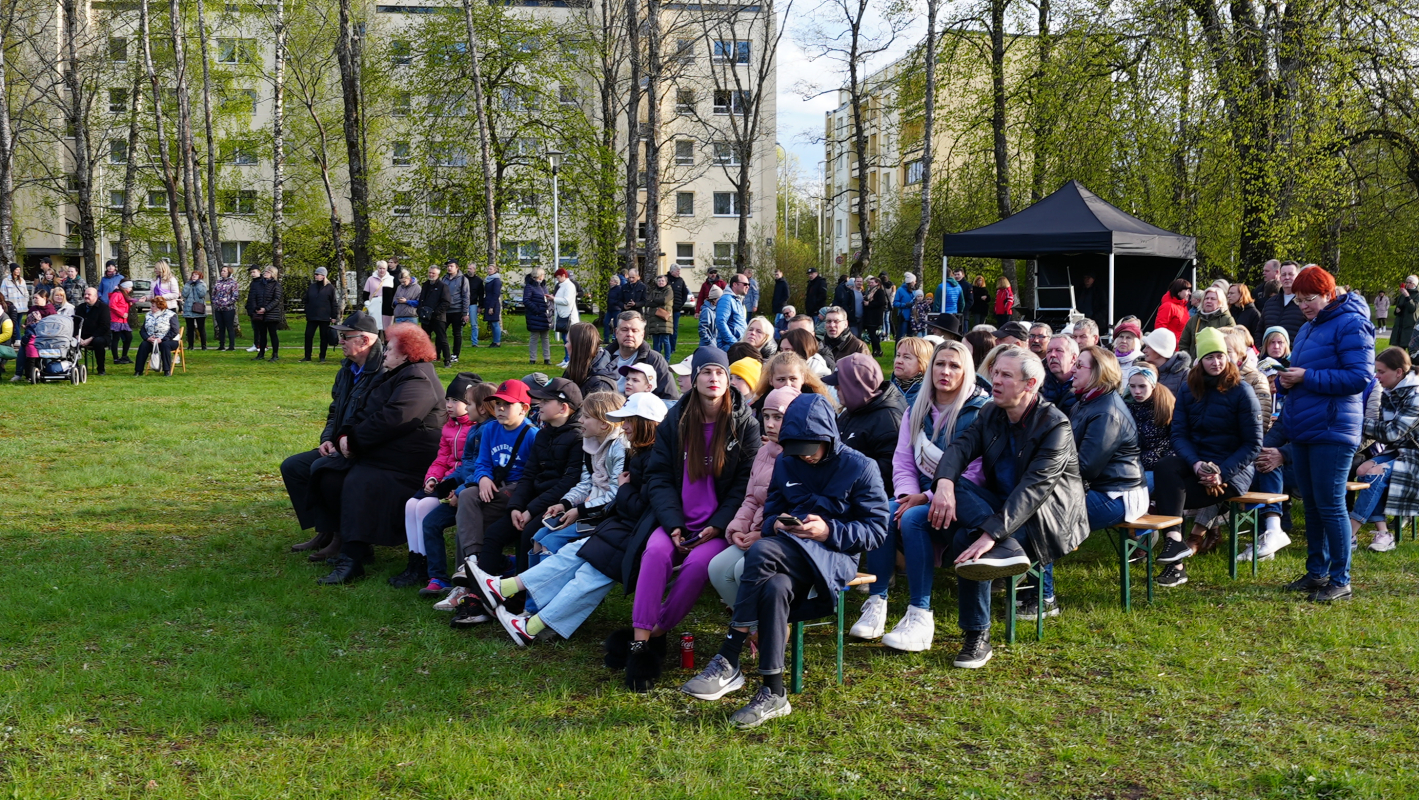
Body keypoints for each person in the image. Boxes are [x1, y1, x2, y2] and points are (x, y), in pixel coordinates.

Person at [679, 392, 886, 727]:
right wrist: (774, 522)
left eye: (810, 450)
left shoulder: (862, 467)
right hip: (788, 552)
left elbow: (876, 531)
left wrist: (828, 530)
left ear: (828, 438)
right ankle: (774, 692)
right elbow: (773, 508)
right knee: (775, 586)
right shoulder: (787, 461)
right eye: (797, 450)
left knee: (761, 551)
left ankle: (729, 656)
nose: (804, 458)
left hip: (834, 556)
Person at [604, 347, 759, 692]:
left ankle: (655, 632)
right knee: (655, 555)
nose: (714, 378)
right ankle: (641, 647)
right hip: (675, 520)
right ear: (695, 378)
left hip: (716, 526)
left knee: (696, 568)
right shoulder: (677, 418)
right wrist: (672, 523)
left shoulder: (744, 422)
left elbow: (743, 484)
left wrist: (717, 525)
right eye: (707, 372)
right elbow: (658, 476)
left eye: (720, 372)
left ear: (728, 379)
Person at [930, 346, 1088, 670]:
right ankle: (1004, 551)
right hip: (1000, 511)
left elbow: (1033, 491)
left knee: (965, 543)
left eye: (1005, 375)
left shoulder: (1055, 425)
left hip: (1043, 521)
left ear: (1029, 385)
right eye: (995, 373)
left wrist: (990, 535)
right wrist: (944, 483)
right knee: (953, 485)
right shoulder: (991, 412)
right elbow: (959, 448)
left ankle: (977, 636)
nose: (995, 381)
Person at [477, 392, 666, 646]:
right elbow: (593, 485)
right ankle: (514, 599)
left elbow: (637, 504)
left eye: (629, 421)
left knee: (585, 575)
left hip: (629, 528)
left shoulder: (640, 455)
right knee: (568, 555)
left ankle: (529, 617)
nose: (625, 426)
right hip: (618, 524)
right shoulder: (639, 453)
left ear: (645, 423)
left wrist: (619, 492)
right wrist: (568, 503)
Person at [853, 340, 988, 649]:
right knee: (884, 512)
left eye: (955, 366)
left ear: (966, 371)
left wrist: (924, 497)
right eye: (940, 364)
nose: (946, 371)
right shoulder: (917, 409)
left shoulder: (979, 411)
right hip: (919, 495)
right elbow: (902, 460)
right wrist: (906, 494)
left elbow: (975, 472)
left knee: (913, 518)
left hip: (964, 500)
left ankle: (920, 614)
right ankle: (876, 604)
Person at [313, 324, 445, 585]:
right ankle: (353, 544)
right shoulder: (394, 374)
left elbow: (393, 420)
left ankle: (351, 560)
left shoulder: (419, 377)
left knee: (357, 481)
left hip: (406, 464)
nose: (384, 353)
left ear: (407, 353)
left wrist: (355, 442)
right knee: (326, 473)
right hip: (382, 453)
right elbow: (363, 410)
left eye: (390, 349)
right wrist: (343, 436)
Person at [1276, 266, 1374, 601]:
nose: (1304, 305)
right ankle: (1316, 573)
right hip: (1304, 426)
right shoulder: (1305, 329)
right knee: (1314, 505)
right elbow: (1301, 373)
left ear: (1329, 294)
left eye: (1310, 299)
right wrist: (1285, 379)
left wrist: (1306, 377)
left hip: (1334, 428)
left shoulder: (1352, 323)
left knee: (1331, 504)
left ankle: (1341, 579)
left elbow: (1359, 377)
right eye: (1299, 299)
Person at [1150, 327, 1263, 587]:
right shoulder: (1190, 391)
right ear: (1200, 360)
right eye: (1210, 357)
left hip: (1231, 472)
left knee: (1169, 495)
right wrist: (1196, 463)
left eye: (1220, 356)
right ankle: (1176, 546)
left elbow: (1253, 444)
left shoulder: (1242, 392)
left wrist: (1221, 472)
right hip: (1199, 464)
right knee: (1166, 466)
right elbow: (1178, 435)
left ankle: (1175, 560)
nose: (1216, 362)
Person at [281, 312, 387, 559]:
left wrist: (347, 443)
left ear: (365, 341)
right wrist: (327, 439)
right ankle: (325, 529)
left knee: (324, 469)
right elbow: (334, 411)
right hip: (338, 444)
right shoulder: (347, 370)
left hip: (363, 449)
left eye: (345, 337)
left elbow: (375, 421)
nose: (340, 341)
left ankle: (342, 536)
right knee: (294, 467)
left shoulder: (381, 373)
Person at [444, 379, 538, 614]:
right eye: (497, 405)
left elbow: (531, 476)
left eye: (507, 405)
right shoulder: (491, 429)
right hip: (493, 486)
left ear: (524, 408)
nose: (500, 409)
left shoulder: (531, 434)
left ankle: (482, 581)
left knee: (473, 519)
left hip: (516, 490)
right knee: (467, 497)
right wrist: (483, 477)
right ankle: (473, 562)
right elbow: (482, 462)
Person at [1064, 346, 1147, 607]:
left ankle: (1042, 595)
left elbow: (1086, 466)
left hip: (1120, 494)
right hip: (1097, 488)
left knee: (1049, 518)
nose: (1073, 370)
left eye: (1080, 365)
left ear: (1099, 373)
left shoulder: (1107, 410)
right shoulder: (1086, 402)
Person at [707, 386, 800, 610]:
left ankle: (768, 628)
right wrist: (738, 528)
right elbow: (750, 499)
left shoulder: (800, 456)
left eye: (778, 417)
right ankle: (752, 628)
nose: (769, 424)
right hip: (753, 532)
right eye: (766, 416)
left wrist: (762, 533)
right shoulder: (762, 452)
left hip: (779, 538)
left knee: (742, 570)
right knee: (717, 568)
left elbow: (793, 511)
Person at [392, 373, 479, 589]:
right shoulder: (449, 426)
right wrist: (432, 477)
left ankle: (429, 568)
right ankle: (415, 561)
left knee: (424, 509)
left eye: (456, 401)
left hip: (458, 484)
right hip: (445, 480)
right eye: (447, 399)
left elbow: (473, 465)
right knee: (411, 504)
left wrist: (452, 485)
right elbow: (442, 457)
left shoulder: (477, 429)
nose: (449, 405)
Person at [418, 381, 497, 600]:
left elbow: (485, 468)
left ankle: (467, 581)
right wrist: (447, 484)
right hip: (464, 490)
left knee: (463, 530)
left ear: (481, 408)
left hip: (479, 496)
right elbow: (467, 465)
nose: (466, 407)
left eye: (468, 403)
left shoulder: (489, 431)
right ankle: (438, 578)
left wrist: (461, 490)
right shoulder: (476, 431)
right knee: (431, 522)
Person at [1352, 347, 1419, 553]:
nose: (1377, 376)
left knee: (1374, 473)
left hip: (1414, 457)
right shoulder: (1391, 392)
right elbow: (1384, 432)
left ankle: (1349, 532)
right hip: (1399, 451)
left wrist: (1355, 421)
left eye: (1381, 372)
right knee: (1362, 470)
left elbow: (1391, 433)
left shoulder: (1416, 395)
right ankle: (1383, 532)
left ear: (1398, 372)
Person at [606, 311, 679, 402]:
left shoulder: (654, 360)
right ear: (616, 332)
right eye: (624, 329)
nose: (629, 334)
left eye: (634, 330)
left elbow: (670, 399)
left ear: (642, 334)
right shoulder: (602, 358)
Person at [1126, 363, 1175, 491]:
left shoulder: (1167, 406)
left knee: (1134, 489)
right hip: (1130, 467)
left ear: (1153, 385)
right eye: (1132, 386)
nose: (1137, 391)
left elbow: (1177, 441)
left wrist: (1161, 461)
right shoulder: (1125, 406)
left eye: (1142, 386)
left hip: (1157, 468)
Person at [562, 321, 618, 397]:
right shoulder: (576, 368)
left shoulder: (601, 385)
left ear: (578, 346)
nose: (565, 345)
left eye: (568, 341)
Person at [1178, 285, 1234, 357]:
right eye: (1206, 298)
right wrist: (1189, 362)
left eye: (1213, 299)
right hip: (1195, 365)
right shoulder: (1193, 320)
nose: (1208, 301)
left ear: (1220, 302)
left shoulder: (1227, 320)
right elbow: (1183, 344)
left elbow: (1233, 345)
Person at [133, 296, 180, 377]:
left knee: (165, 345)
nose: (151, 307)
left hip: (169, 340)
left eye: (153, 306)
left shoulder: (171, 315)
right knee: (143, 345)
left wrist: (162, 339)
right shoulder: (148, 315)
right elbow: (143, 330)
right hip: (152, 340)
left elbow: (174, 330)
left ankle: (167, 370)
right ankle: (138, 370)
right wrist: (147, 338)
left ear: (159, 307)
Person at [300, 268, 339, 362]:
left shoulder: (330, 288)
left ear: (323, 276)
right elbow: (306, 299)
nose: (316, 276)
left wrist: (334, 316)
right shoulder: (312, 287)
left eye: (318, 274)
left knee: (324, 337)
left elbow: (333, 302)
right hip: (312, 316)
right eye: (315, 274)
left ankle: (322, 357)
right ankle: (307, 356)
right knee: (308, 336)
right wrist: (307, 309)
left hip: (324, 317)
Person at [1262, 262, 1307, 342]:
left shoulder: (1306, 303)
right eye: (1283, 274)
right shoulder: (1270, 303)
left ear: (1298, 276)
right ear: (1279, 277)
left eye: (1290, 274)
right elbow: (1259, 331)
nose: (1287, 277)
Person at [1140, 328, 1192, 398]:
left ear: (1159, 350)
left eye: (1148, 347)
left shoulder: (1184, 374)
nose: (1144, 350)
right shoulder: (1141, 369)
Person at [247, 266, 285, 360]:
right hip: (260, 313)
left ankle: (275, 354)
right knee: (262, 334)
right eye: (265, 271)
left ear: (273, 274)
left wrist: (266, 309)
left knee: (273, 334)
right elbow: (254, 296)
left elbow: (276, 300)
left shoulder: (276, 286)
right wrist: (256, 308)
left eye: (268, 272)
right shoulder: (258, 284)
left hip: (271, 313)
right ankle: (261, 353)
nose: (265, 273)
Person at [417, 266, 451, 365]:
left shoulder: (443, 286)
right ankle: (424, 358)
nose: (431, 275)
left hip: (438, 317)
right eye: (430, 273)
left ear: (438, 274)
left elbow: (446, 302)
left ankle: (447, 360)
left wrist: (435, 312)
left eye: (433, 273)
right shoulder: (425, 285)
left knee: (442, 338)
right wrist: (420, 310)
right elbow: (421, 299)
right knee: (424, 339)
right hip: (425, 317)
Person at [76, 287, 111, 375]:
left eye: (89, 294)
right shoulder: (80, 308)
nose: (86, 296)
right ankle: (74, 367)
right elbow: (75, 324)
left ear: (96, 296)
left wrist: (91, 338)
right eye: (85, 294)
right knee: (71, 342)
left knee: (98, 342)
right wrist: (77, 336)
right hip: (82, 336)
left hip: (100, 336)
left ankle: (101, 369)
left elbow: (104, 326)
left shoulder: (103, 308)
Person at [1041, 334, 1080, 414]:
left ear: (1073, 358)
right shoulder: (1039, 383)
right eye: (1049, 351)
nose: (1052, 355)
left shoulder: (1085, 385)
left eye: (1059, 350)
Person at [442, 260, 471, 361]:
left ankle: (455, 354)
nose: (449, 268)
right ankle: (441, 353)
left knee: (457, 333)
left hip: (457, 310)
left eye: (451, 266)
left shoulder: (463, 279)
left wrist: (465, 312)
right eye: (448, 266)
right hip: (445, 310)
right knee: (441, 332)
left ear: (457, 267)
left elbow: (466, 296)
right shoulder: (444, 278)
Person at [891, 337, 933, 406]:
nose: (898, 361)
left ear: (922, 364)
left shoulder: (930, 395)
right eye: (898, 355)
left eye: (906, 357)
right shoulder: (885, 390)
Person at [523, 266, 553, 365]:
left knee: (545, 337)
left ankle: (547, 358)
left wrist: (549, 308)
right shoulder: (529, 286)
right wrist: (536, 310)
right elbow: (526, 300)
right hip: (535, 316)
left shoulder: (544, 286)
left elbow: (547, 299)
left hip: (544, 316)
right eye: (543, 274)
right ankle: (532, 358)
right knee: (534, 338)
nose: (544, 276)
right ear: (539, 275)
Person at [644, 272, 675, 361]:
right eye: (659, 281)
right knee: (656, 341)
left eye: (662, 281)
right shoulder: (654, 291)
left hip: (665, 319)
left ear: (666, 282)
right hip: (654, 319)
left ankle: (667, 359)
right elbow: (648, 302)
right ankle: (656, 359)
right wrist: (656, 302)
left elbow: (664, 301)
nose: (661, 282)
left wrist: (654, 301)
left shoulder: (669, 290)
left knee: (665, 340)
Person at [553, 267, 580, 367]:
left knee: (569, 340)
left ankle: (571, 360)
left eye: (559, 277)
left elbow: (567, 301)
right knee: (565, 339)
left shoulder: (569, 286)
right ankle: (566, 358)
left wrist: (554, 299)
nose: (557, 279)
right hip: (563, 315)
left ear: (564, 276)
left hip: (569, 317)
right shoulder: (562, 285)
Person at [715, 273, 749, 350]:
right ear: (735, 284)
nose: (747, 286)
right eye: (745, 284)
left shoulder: (737, 300)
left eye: (748, 284)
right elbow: (720, 322)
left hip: (737, 345)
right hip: (729, 347)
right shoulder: (726, 299)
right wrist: (734, 342)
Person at [180, 269, 209, 351]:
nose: (194, 276)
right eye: (193, 275)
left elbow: (202, 294)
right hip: (188, 309)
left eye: (196, 275)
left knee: (201, 328)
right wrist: (188, 284)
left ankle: (204, 346)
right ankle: (190, 346)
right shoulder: (188, 284)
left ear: (200, 276)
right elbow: (184, 294)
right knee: (190, 328)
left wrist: (198, 284)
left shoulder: (202, 284)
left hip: (199, 309)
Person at [212, 266, 239, 351]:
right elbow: (214, 293)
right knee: (221, 327)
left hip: (228, 309)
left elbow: (235, 296)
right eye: (221, 270)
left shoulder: (233, 283)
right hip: (218, 308)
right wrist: (215, 301)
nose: (222, 272)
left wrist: (227, 303)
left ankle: (231, 346)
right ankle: (221, 345)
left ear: (229, 272)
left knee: (229, 327)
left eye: (224, 271)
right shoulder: (218, 282)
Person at [362, 260, 396, 329]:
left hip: (387, 306)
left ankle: (385, 339)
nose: (382, 270)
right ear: (377, 268)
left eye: (384, 268)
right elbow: (365, 293)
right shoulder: (370, 279)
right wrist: (367, 302)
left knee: (386, 326)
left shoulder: (391, 279)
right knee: (374, 325)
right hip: (374, 304)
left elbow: (395, 293)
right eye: (380, 268)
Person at [108, 280, 135, 364]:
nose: (131, 289)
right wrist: (121, 313)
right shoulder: (117, 294)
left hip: (123, 321)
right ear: (125, 287)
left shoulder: (124, 295)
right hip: (116, 320)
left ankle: (124, 356)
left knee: (128, 337)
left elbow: (122, 304)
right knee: (116, 338)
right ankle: (116, 358)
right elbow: (112, 305)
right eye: (130, 287)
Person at [862, 275, 888, 356]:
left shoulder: (879, 291)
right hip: (869, 316)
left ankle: (878, 350)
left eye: (871, 282)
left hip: (875, 317)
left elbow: (881, 302)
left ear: (877, 283)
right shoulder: (870, 291)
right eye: (869, 282)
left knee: (873, 335)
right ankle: (875, 351)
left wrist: (869, 303)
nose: (869, 284)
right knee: (871, 334)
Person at [667, 264, 689, 353]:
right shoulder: (666, 279)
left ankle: (672, 348)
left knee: (674, 329)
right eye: (677, 271)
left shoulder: (681, 281)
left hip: (676, 309)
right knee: (666, 329)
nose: (679, 273)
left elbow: (685, 293)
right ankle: (666, 346)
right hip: (666, 310)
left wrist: (680, 304)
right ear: (672, 271)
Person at [481, 263, 503, 348]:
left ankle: (497, 342)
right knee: (492, 323)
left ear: (495, 270)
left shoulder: (496, 280)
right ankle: (494, 341)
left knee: (495, 323)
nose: (488, 270)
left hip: (493, 303)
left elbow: (496, 294)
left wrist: (491, 307)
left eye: (490, 269)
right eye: (488, 269)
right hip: (488, 302)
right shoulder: (488, 279)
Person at [892, 272, 917, 340]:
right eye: (914, 281)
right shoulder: (900, 290)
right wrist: (905, 305)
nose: (915, 282)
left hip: (912, 317)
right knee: (900, 337)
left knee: (910, 337)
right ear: (911, 282)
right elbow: (895, 303)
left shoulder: (914, 291)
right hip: (904, 317)